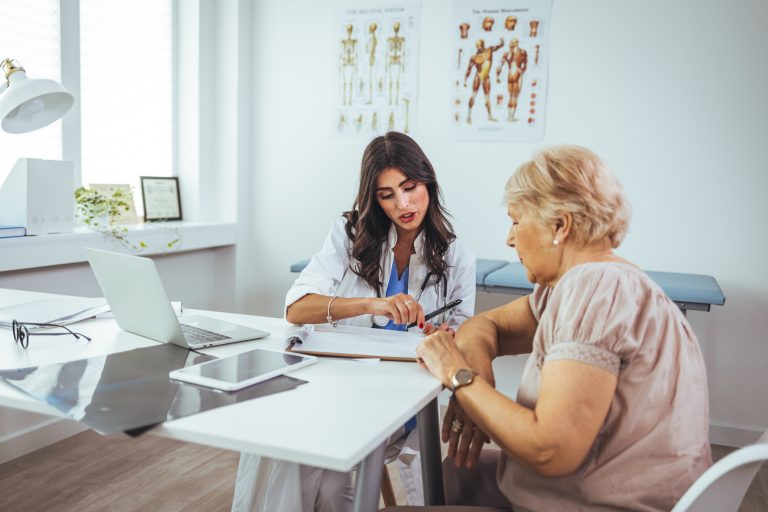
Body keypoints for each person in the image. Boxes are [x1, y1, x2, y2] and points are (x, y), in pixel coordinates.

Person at [415, 145, 712, 511]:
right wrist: (479, 382)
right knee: (456, 472)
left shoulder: (595, 288)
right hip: (621, 486)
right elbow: (486, 325)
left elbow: (549, 450)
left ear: (560, 225)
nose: (509, 238)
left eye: (516, 221)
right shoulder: (590, 283)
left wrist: (457, 376)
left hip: (613, 502)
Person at [232, 131, 476, 512]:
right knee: (303, 448)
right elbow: (296, 308)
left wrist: (447, 336)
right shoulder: (350, 236)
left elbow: (466, 336)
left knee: (310, 447)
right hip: (339, 384)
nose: (403, 203)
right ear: (373, 198)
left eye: (410, 187)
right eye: (387, 194)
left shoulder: (457, 256)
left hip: (399, 396)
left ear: (428, 180)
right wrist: (371, 305)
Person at [464, 38, 504, 124]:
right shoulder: (474, 57)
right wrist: (465, 80)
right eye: (477, 46)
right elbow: (469, 69)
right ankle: (468, 116)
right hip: (478, 76)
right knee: (473, 95)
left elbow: (497, 47)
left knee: (487, 98)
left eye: (480, 45)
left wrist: (501, 43)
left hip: (486, 77)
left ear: (483, 44)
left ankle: (490, 116)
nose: (479, 47)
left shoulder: (489, 50)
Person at [496, 38, 528, 121]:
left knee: (511, 96)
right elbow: (525, 66)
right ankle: (512, 116)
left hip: (510, 74)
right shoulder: (523, 52)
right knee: (515, 97)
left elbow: (499, 67)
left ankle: (509, 116)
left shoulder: (506, 53)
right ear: (517, 43)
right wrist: (521, 71)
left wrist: (497, 77)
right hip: (517, 73)